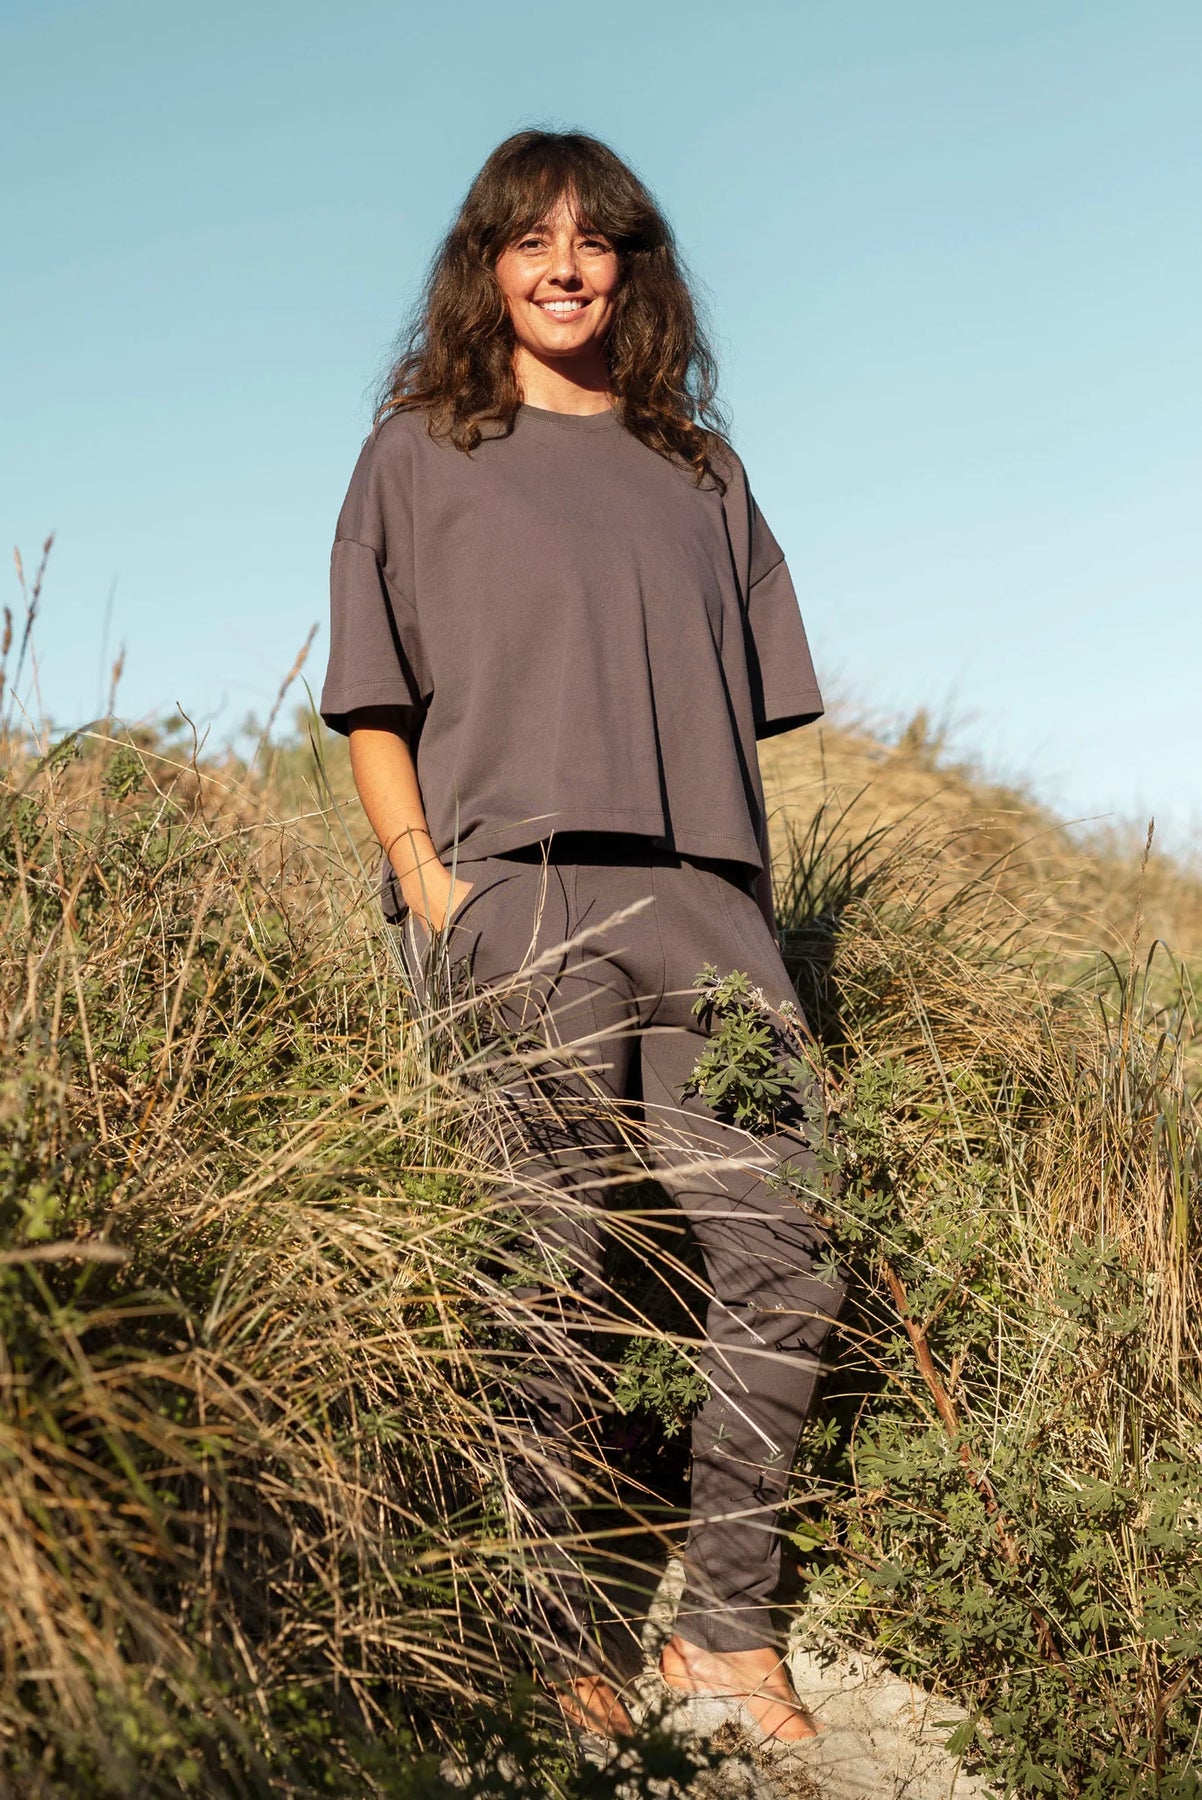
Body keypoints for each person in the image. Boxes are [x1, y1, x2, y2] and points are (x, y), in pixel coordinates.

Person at [319, 128, 843, 1745]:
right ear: (485, 266)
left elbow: (748, 711)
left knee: (788, 1248)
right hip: (518, 898)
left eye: (593, 240)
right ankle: (552, 1638)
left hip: (707, 902)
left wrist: (736, 903)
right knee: (544, 1268)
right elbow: (373, 702)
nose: (563, 267)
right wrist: (429, 882)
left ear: (632, 269)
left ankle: (726, 1630)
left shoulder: (702, 471)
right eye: (530, 240)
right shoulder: (420, 451)